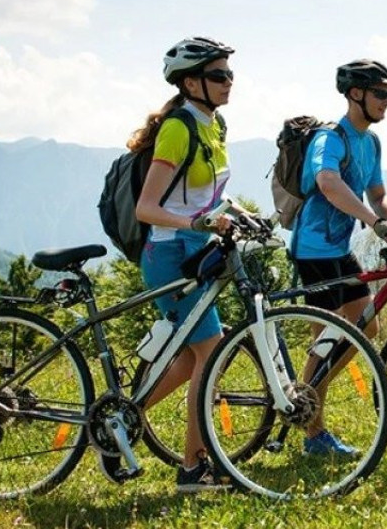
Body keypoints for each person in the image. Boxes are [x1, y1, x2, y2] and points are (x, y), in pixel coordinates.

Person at [289, 58, 387, 455]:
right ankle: (312, 433)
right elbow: (328, 183)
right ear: (355, 94)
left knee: (365, 328)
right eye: (381, 94)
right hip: (313, 251)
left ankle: (307, 393)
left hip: (339, 249)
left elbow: (379, 195)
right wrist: (373, 223)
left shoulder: (371, 143)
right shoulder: (331, 139)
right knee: (327, 338)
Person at [127, 36, 235, 492]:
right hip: (170, 255)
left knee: (195, 358)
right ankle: (193, 468)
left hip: (194, 254)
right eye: (218, 75)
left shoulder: (215, 124)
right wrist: (199, 221)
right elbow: (147, 209)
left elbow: (204, 194)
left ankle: (123, 419)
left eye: (229, 74)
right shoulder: (177, 129)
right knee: (210, 353)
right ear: (191, 82)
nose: (228, 82)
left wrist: (231, 215)